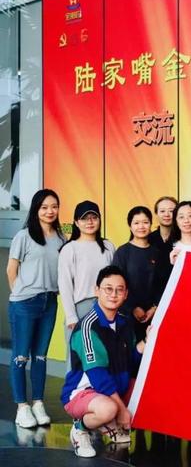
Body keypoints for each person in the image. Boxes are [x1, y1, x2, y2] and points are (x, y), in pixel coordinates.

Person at [61, 265, 147, 458]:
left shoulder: (125, 323)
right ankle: (80, 429)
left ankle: (109, 423)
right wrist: (122, 410)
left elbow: (130, 363)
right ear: (97, 290)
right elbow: (98, 376)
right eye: (108, 289)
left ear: (126, 294)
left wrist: (146, 341)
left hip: (112, 388)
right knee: (109, 409)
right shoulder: (87, 327)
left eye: (119, 290)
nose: (113, 295)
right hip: (83, 392)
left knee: (147, 393)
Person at [7, 189, 66, 428]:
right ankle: (22, 407)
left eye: (54, 206)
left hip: (49, 301)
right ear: (36, 209)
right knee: (20, 356)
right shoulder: (23, 236)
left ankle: (38, 403)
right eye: (44, 207)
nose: (50, 211)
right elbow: (11, 270)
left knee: (40, 356)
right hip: (25, 302)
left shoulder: (61, 238)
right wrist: (20, 294)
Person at [58, 201, 115, 367]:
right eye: (84, 218)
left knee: (105, 355)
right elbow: (65, 284)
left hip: (106, 307)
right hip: (80, 308)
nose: (90, 222)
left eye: (94, 217)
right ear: (76, 222)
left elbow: (115, 279)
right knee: (76, 358)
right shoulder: (70, 249)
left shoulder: (108, 246)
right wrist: (71, 316)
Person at [112, 206, 161, 341]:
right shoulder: (123, 252)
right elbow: (118, 283)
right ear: (130, 226)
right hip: (127, 314)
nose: (141, 226)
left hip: (152, 315)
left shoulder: (157, 253)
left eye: (145, 222)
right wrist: (133, 308)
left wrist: (154, 308)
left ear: (150, 224)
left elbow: (161, 283)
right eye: (136, 223)